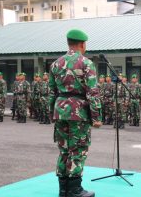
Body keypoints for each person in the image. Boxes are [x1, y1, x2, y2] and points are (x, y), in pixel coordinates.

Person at [49, 29, 102, 197]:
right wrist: (96, 117)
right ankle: (75, 190)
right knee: (78, 150)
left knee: (64, 150)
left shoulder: (56, 64)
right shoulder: (86, 63)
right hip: (79, 112)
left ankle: (63, 189)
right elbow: (92, 92)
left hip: (60, 110)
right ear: (82, 44)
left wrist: (53, 112)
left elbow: (51, 92)